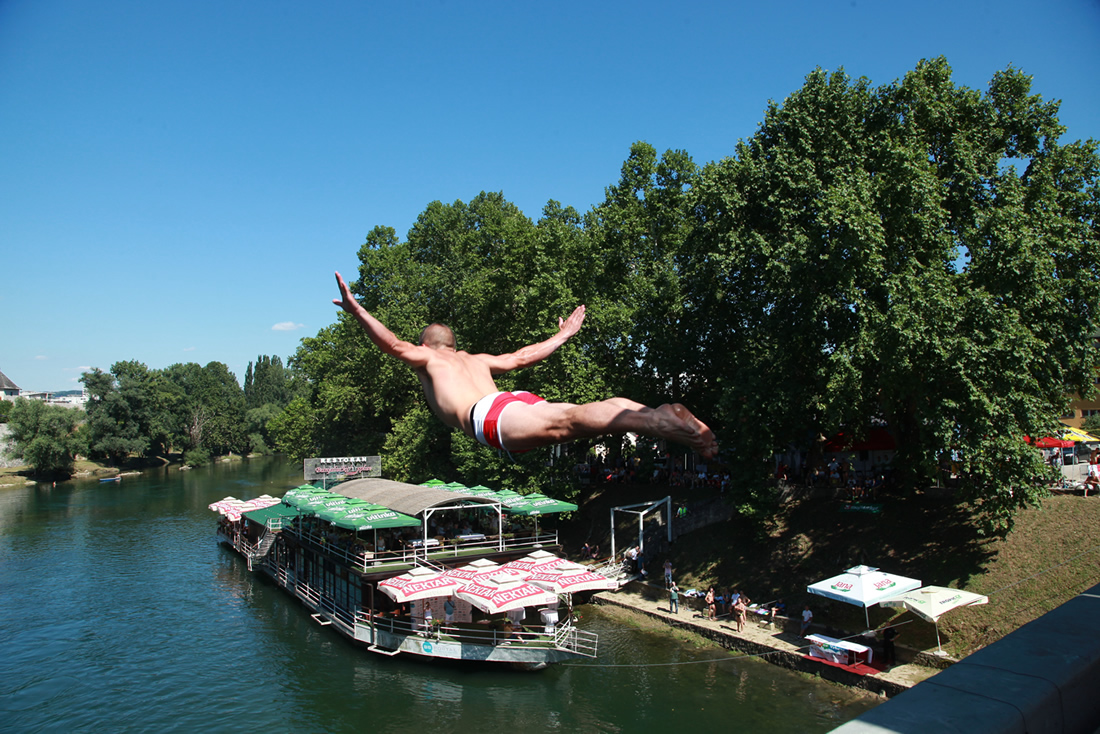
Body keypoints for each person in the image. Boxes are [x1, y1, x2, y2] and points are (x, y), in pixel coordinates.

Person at [333, 272, 718, 458]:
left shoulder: (427, 358)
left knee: (568, 426)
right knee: (575, 418)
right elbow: (521, 356)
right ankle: (652, 411)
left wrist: (358, 310)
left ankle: (659, 424)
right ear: (455, 343)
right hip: (513, 401)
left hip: (487, 416)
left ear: (427, 345)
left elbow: (393, 345)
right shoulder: (476, 360)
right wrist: (562, 336)